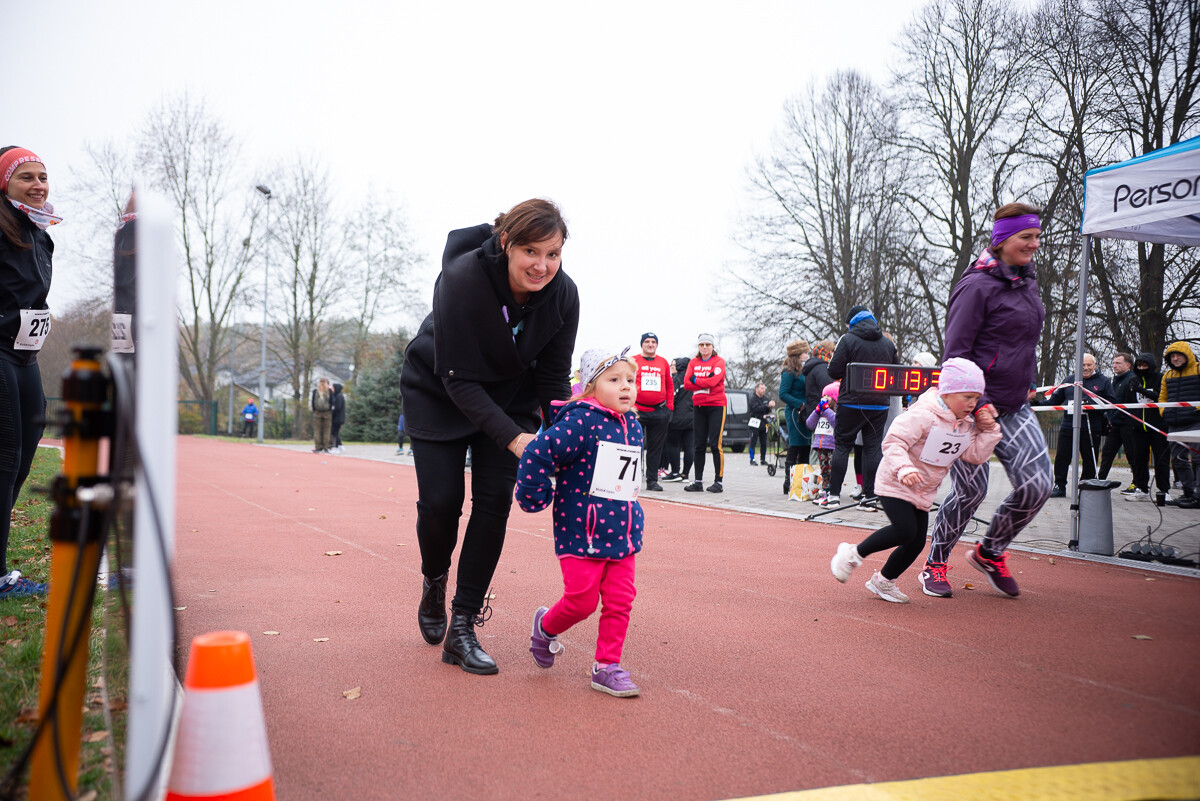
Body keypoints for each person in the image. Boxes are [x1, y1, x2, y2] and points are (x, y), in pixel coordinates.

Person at [400, 198, 578, 675]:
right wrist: (515, 440)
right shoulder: (462, 280)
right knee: (441, 503)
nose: (543, 265)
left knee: (495, 500)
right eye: (532, 252)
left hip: (510, 398)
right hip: (440, 389)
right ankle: (434, 579)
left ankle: (462, 625)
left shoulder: (564, 295)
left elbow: (554, 380)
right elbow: (457, 379)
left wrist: (562, 438)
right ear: (507, 244)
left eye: (554, 254)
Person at [918, 202, 1052, 599]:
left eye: (1037, 237)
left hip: (1013, 406)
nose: (1034, 244)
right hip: (969, 408)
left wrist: (1025, 379)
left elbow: (1022, 340)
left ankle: (991, 551)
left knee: (1038, 485)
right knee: (970, 492)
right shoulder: (975, 286)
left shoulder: (1027, 281)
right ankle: (935, 562)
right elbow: (956, 354)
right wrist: (977, 404)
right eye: (1026, 237)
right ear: (1002, 240)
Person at [516, 348, 644, 697]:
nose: (625, 388)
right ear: (590, 387)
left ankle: (607, 667)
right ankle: (545, 626)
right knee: (582, 602)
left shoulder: (633, 423)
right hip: (581, 531)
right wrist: (533, 493)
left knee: (620, 602)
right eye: (614, 379)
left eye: (630, 380)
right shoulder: (580, 421)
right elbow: (537, 451)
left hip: (623, 531)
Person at [830, 359, 1002, 602]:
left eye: (977, 398)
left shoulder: (964, 424)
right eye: (967, 397)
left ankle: (883, 582)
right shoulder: (923, 414)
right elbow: (893, 441)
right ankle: (851, 554)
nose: (973, 404)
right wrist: (903, 469)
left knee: (917, 542)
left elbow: (974, 455)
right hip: (895, 481)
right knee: (904, 530)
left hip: (923, 490)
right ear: (948, 392)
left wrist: (990, 431)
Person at [0, 147, 58, 600]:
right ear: (5, 184)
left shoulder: (39, 229)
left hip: (26, 355)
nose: (38, 185)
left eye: (42, 177)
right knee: (5, 455)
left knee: (24, 454)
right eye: (26, 178)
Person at [823, 306, 899, 509]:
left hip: (850, 402)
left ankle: (833, 496)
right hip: (879, 405)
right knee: (872, 449)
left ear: (852, 323)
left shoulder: (847, 340)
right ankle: (869, 498)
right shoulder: (887, 343)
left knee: (842, 446)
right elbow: (896, 373)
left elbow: (833, 371)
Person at [1045, 353, 1112, 497]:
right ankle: (1059, 485)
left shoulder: (1103, 381)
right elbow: (1054, 400)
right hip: (1068, 425)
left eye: (1089, 365)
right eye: (1082, 365)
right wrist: (1038, 404)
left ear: (1094, 365)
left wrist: (1091, 405)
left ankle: (1086, 486)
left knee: (1089, 457)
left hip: (1091, 426)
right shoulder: (1069, 380)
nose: (1086, 368)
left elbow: (1111, 403)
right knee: (1062, 456)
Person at [683, 334, 727, 493]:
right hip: (699, 407)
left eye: (708, 344)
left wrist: (696, 379)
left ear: (713, 347)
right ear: (698, 347)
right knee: (699, 445)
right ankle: (698, 481)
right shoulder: (693, 362)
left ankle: (718, 482)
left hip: (716, 405)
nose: (705, 347)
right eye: (702, 344)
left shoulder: (719, 362)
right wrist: (700, 379)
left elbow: (713, 382)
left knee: (716, 444)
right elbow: (686, 383)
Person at [1159, 342, 1200, 509]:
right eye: (1171, 356)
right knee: (1178, 459)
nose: (1175, 359)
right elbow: (1162, 398)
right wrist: (1164, 412)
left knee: (1198, 458)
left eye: (1178, 355)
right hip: (1175, 423)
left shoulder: (1198, 369)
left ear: (1187, 354)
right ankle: (1188, 492)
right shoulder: (1168, 375)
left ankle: (1199, 495)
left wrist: (1196, 410)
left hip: (1196, 421)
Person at [632, 332, 673, 492]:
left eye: (653, 342)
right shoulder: (633, 360)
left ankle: (652, 481)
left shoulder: (663, 362)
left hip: (659, 411)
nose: (650, 344)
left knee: (656, 448)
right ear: (642, 344)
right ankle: (632, 479)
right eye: (647, 341)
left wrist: (669, 407)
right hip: (637, 411)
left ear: (657, 344)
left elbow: (669, 385)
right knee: (634, 446)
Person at [1098, 353, 1143, 494]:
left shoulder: (1133, 380)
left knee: (1132, 454)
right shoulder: (1114, 380)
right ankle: (1100, 481)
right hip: (1115, 424)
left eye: (1118, 363)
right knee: (1107, 452)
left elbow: (1134, 403)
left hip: (1129, 424)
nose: (1114, 365)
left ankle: (1137, 484)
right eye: (1113, 363)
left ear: (1128, 365)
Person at [1129, 353, 1170, 502]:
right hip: (1139, 427)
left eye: (1144, 365)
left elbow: (1160, 397)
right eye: (1139, 365)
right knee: (1139, 459)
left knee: (1161, 459)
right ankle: (1142, 489)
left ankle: (1164, 490)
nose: (1141, 368)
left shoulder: (1160, 378)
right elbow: (1128, 401)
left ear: (1151, 365)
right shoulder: (1134, 380)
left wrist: (1142, 390)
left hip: (1158, 426)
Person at [778, 339, 811, 494]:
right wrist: (799, 404)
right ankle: (787, 482)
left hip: (805, 413)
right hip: (794, 413)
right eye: (805, 352)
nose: (807, 355)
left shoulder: (804, 370)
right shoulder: (789, 371)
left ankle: (802, 480)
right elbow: (783, 394)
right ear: (798, 354)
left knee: (806, 446)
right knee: (795, 446)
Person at [806, 381, 839, 504]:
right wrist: (816, 411)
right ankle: (824, 490)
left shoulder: (835, 412)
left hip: (831, 446)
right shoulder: (820, 412)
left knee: (831, 470)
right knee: (824, 470)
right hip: (820, 446)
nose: (825, 398)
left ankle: (831, 491)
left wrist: (826, 410)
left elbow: (836, 422)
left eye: (828, 396)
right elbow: (809, 424)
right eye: (824, 396)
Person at [662, 356, 694, 483]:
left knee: (673, 445)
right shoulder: (692, 380)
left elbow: (672, 397)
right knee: (689, 447)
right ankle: (685, 474)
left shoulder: (677, 379)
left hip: (676, 419)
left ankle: (675, 472)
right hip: (692, 419)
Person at [747, 382, 776, 466]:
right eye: (762, 388)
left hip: (764, 423)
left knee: (764, 442)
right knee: (753, 441)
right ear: (757, 389)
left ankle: (763, 459)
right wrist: (767, 406)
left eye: (764, 388)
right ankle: (752, 459)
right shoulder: (753, 399)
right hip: (754, 423)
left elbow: (767, 410)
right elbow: (756, 409)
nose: (764, 390)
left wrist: (770, 407)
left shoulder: (766, 398)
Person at [311, 377, 334, 454]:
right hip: (327, 413)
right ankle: (326, 447)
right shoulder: (329, 391)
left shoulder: (315, 391)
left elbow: (312, 403)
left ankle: (318, 447)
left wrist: (315, 411)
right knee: (326, 431)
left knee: (317, 430)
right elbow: (332, 402)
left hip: (317, 413)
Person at [330, 382, 346, 453]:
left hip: (338, 418)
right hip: (338, 418)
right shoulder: (337, 396)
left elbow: (337, 407)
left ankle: (336, 447)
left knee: (334, 432)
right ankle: (339, 445)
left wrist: (332, 410)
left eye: (333, 388)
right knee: (335, 432)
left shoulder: (339, 396)